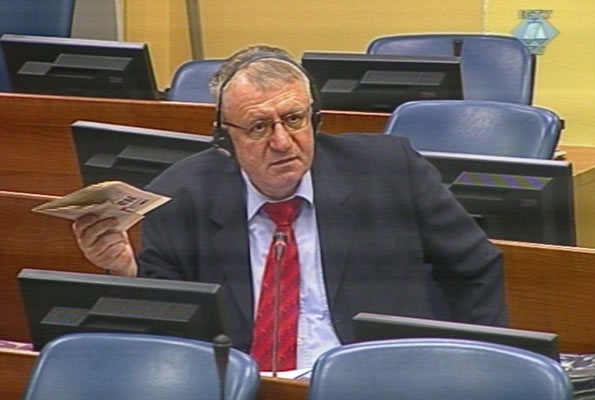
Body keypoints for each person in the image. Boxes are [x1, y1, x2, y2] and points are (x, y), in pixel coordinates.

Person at [72, 45, 507, 370]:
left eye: (294, 120)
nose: (282, 142)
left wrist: (476, 369)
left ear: (314, 118)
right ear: (226, 139)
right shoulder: (181, 195)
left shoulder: (390, 172)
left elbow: (476, 267)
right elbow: (170, 324)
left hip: (373, 379)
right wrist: (126, 273)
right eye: (259, 127)